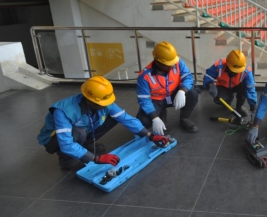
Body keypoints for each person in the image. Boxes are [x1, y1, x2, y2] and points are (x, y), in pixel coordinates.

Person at [37, 76, 169, 170]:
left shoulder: (102, 102)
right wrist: (95, 159)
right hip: (55, 141)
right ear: (89, 100)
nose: (106, 105)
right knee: (79, 131)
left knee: (113, 117)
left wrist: (150, 135)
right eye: (102, 104)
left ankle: (86, 145)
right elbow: (66, 144)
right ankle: (67, 160)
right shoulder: (63, 111)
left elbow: (126, 118)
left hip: (82, 130)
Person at [136, 41, 199, 133]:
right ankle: (160, 113)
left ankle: (184, 119)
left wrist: (182, 91)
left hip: (174, 94)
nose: (172, 66)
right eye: (168, 65)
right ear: (157, 61)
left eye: (173, 63)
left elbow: (188, 77)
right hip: (156, 100)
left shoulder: (177, 62)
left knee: (192, 93)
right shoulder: (144, 76)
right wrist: (155, 118)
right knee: (144, 121)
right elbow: (144, 100)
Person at [203, 49, 257, 117]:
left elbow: (251, 89)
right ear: (228, 64)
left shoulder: (247, 71)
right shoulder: (219, 65)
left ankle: (239, 107)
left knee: (245, 86)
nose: (236, 73)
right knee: (219, 99)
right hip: (223, 86)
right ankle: (227, 101)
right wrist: (209, 84)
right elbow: (208, 76)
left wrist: (253, 107)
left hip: (238, 86)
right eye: (234, 70)